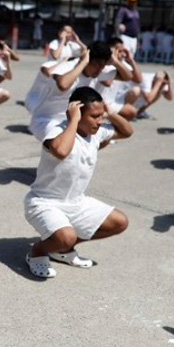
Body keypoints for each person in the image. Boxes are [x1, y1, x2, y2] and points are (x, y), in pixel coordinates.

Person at [24, 86, 132, 278]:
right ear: (77, 113)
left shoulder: (96, 133)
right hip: (44, 202)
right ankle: (37, 252)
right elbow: (61, 151)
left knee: (119, 222)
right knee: (66, 236)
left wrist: (110, 113)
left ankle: (61, 249)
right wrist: (73, 120)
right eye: (94, 116)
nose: (100, 121)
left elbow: (127, 131)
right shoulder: (56, 131)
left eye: (101, 116)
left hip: (76, 202)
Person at [28, 41, 112, 141]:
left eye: (103, 66)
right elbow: (63, 84)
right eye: (97, 65)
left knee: (105, 136)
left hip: (70, 121)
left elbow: (127, 76)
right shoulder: (66, 67)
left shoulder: (97, 71)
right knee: (64, 145)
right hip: (46, 121)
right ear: (88, 59)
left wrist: (114, 60)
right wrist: (83, 63)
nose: (100, 70)